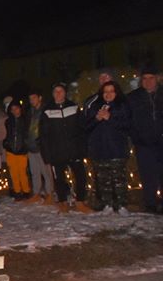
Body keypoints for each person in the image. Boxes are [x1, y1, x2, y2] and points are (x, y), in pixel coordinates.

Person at [40, 83, 94, 213]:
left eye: (61, 91)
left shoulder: (73, 107)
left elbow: (82, 129)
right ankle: (63, 202)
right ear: (53, 94)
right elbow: (44, 135)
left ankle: (80, 202)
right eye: (56, 92)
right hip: (57, 152)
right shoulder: (47, 111)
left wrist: (82, 148)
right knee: (59, 179)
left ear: (65, 93)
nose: (58, 94)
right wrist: (47, 155)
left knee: (81, 177)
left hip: (74, 150)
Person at [84, 81, 133, 214]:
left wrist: (110, 117)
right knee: (103, 179)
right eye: (106, 91)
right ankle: (108, 204)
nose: (108, 94)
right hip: (99, 149)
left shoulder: (122, 105)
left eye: (111, 91)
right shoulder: (95, 106)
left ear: (116, 93)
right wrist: (96, 119)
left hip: (117, 149)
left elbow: (127, 126)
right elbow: (86, 126)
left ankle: (121, 205)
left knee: (119, 179)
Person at [127, 66, 163, 213]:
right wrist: (137, 136)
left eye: (151, 78)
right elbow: (128, 120)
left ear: (157, 79)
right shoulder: (133, 97)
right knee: (147, 174)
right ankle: (150, 203)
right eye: (145, 78)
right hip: (143, 142)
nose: (148, 81)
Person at [26, 89, 55, 203]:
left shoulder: (46, 111)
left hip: (42, 146)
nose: (32, 101)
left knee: (46, 171)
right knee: (35, 171)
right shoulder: (30, 111)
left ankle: (50, 193)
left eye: (34, 98)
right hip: (31, 145)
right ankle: (36, 192)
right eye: (30, 99)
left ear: (40, 98)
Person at [3, 100, 32, 200]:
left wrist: (25, 146)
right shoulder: (8, 121)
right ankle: (17, 191)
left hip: (22, 150)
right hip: (10, 151)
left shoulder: (25, 120)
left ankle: (26, 191)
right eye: (12, 109)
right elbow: (6, 134)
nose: (15, 111)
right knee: (13, 172)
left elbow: (27, 135)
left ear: (20, 109)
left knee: (22, 172)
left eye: (16, 108)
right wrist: (6, 144)